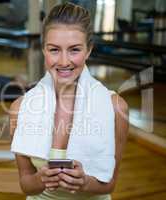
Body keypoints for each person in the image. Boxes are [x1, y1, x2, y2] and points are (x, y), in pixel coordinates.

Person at [10, 3, 128, 200]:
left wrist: (84, 183)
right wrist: (41, 179)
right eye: (54, 50)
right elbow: (26, 185)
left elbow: (110, 185)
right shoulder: (19, 109)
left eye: (74, 50)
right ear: (44, 50)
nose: (64, 62)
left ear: (88, 50)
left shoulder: (116, 108)